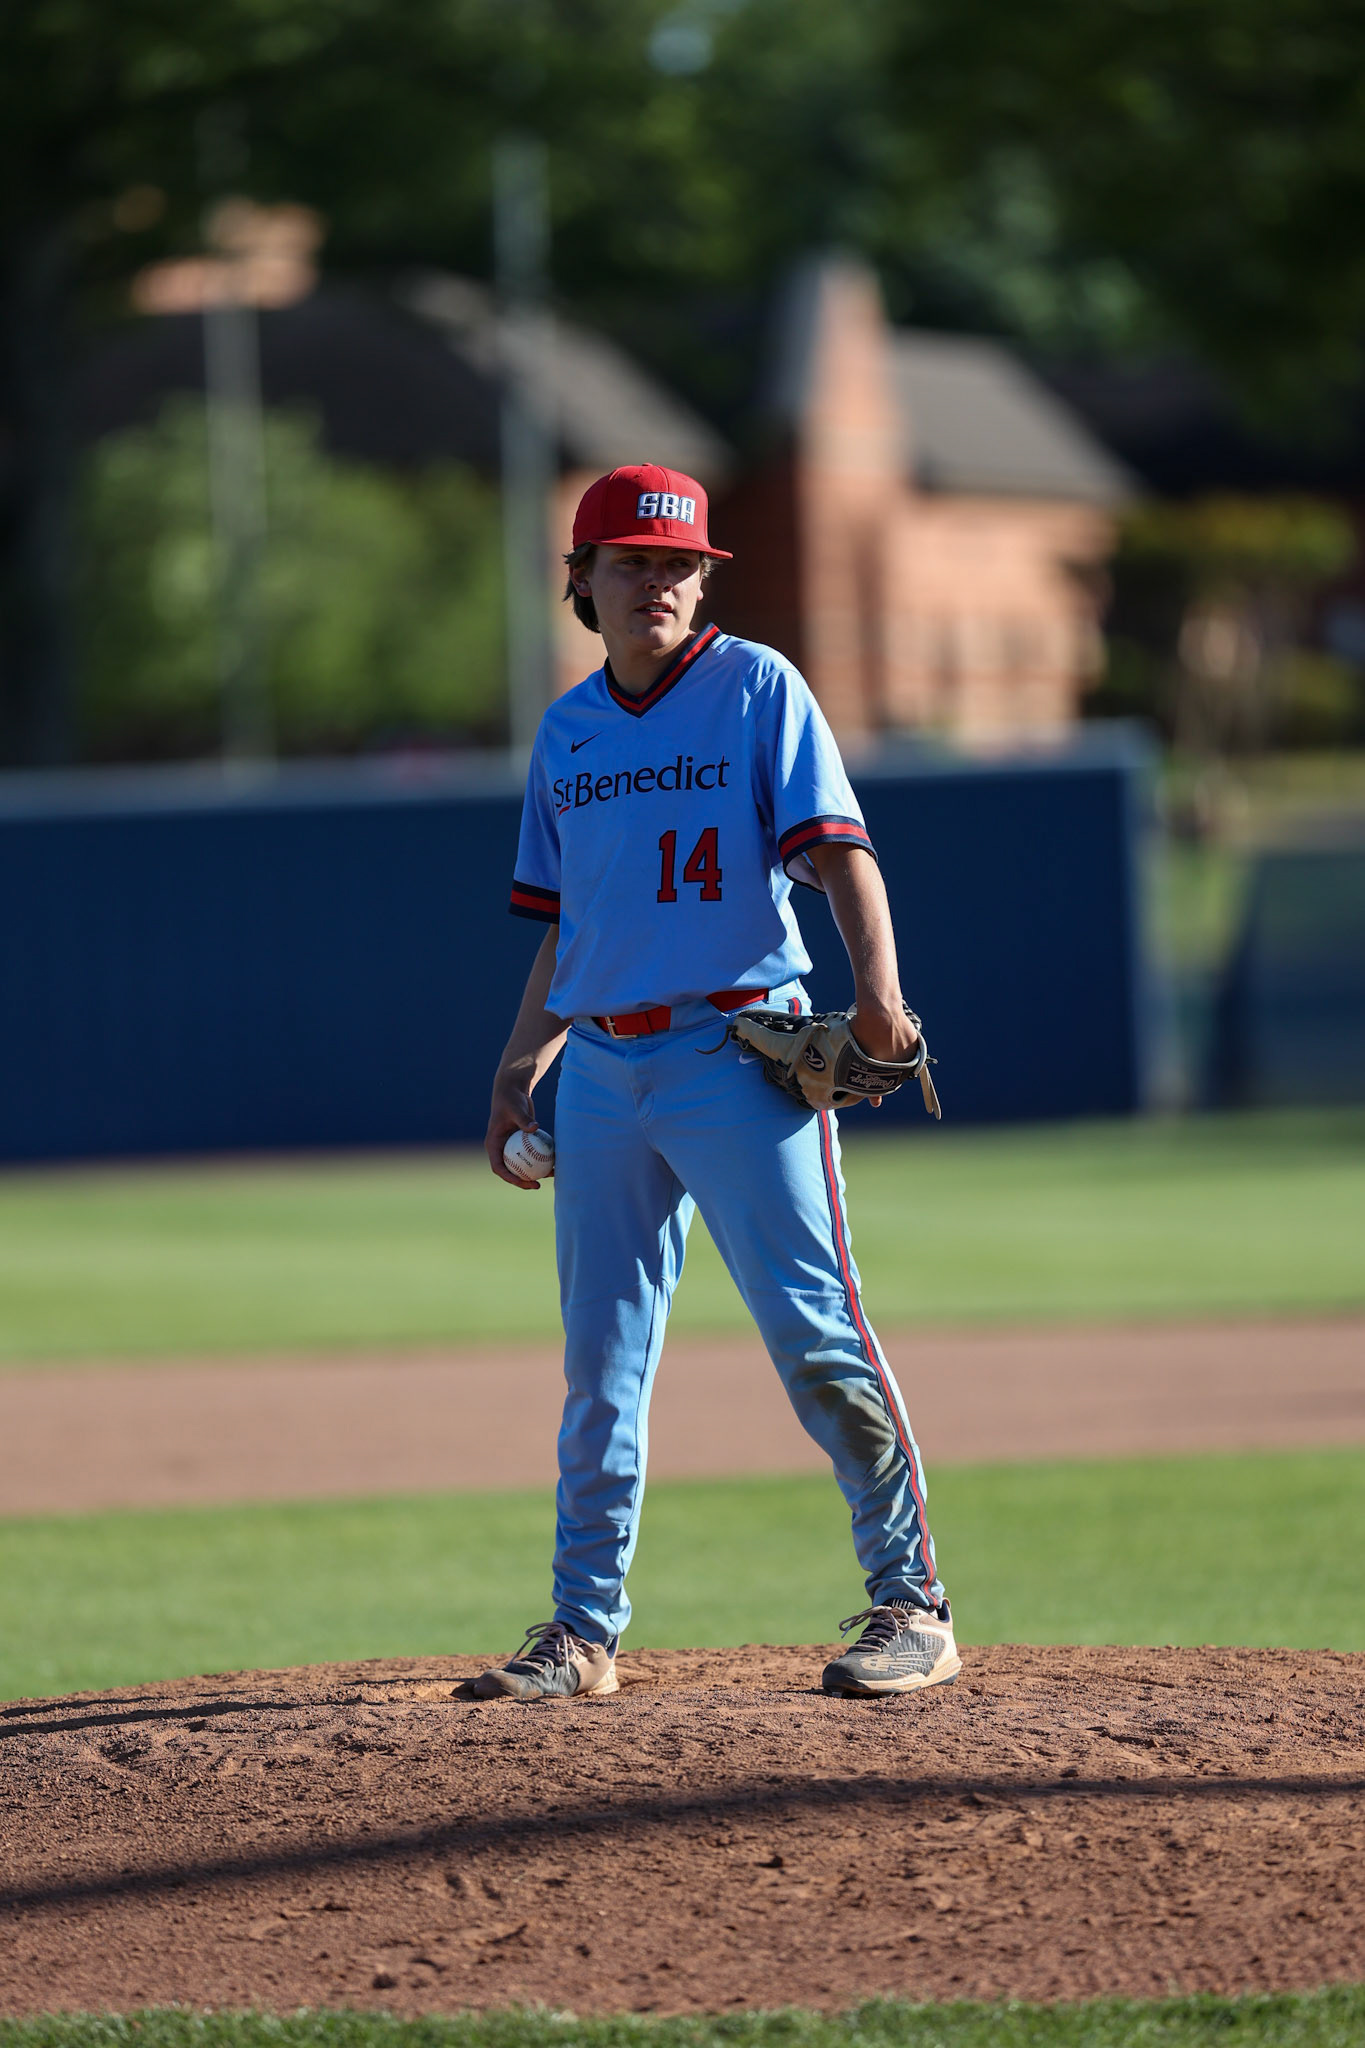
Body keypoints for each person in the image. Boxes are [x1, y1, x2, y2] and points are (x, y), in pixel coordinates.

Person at [475, 462, 957, 1701]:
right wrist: (524, 1059)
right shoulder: (567, 730)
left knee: (816, 1332)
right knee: (601, 1365)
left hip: (740, 1052)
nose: (659, 581)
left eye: (679, 563)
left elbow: (842, 853)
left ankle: (913, 1603)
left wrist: (881, 996)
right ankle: (582, 1629)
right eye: (632, 561)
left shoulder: (756, 687)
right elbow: (567, 922)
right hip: (603, 1068)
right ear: (581, 581)